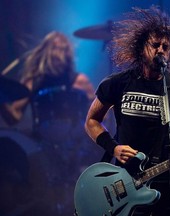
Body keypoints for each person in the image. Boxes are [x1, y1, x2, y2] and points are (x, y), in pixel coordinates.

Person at [85, 6, 170, 216]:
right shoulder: (118, 83)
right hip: (127, 181)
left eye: (166, 46)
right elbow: (91, 120)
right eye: (155, 45)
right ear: (141, 47)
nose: (160, 50)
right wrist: (114, 148)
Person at [0, 31, 96, 215]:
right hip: (43, 143)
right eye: (55, 49)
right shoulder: (33, 80)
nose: (59, 54)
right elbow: (14, 117)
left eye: (63, 49)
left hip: (77, 141)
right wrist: (3, 99)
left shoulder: (78, 80)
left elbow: (100, 111)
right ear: (45, 52)